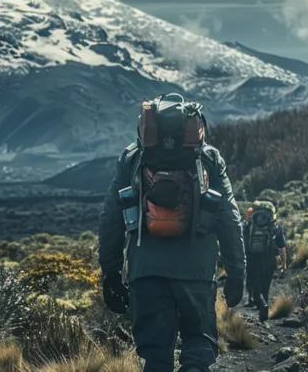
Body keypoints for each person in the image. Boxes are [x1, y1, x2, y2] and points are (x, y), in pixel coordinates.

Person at [99, 94, 245, 372]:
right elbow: (229, 218)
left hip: (146, 272)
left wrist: (111, 271)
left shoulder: (133, 158)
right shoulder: (209, 158)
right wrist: (237, 271)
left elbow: (110, 217)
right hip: (196, 272)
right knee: (199, 346)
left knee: (155, 356)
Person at [242, 200, 288, 324]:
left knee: (255, 286)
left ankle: (262, 305)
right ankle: (264, 315)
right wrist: (284, 263)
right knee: (265, 287)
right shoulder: (275, 226)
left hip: (252, 259)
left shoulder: (249, 225)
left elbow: (241, 240)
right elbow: (282, 246)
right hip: (269, 260)